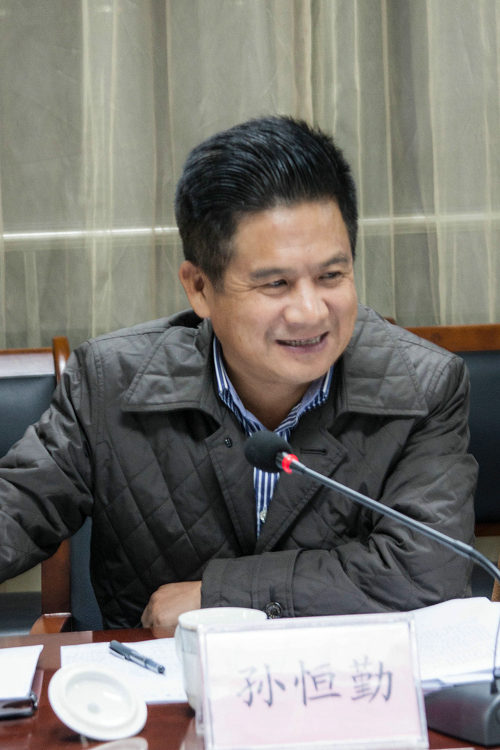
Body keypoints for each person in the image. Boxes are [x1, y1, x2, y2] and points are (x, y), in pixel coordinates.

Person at [0, 116, 476, 629]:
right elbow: (17, 508)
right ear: (200, 288)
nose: (311, 312)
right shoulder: (111, 382)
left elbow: (429, 571)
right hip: (162, 675)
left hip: (345, 675)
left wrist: (221, 596)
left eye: (331, 275)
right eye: (276, 284)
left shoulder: (424, 387)